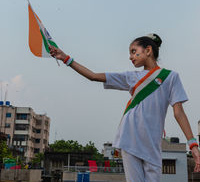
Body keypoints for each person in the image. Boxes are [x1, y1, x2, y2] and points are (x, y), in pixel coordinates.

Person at [49, 33, 200, 182]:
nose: (130, 56)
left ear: (148, 50)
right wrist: (65, 58)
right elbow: (93, 76)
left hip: (153, 143)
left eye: (134, 51)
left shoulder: (170, 77)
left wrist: (192, 144)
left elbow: (178, 112)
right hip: (129, 137)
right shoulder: (131, 77)